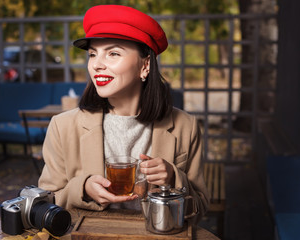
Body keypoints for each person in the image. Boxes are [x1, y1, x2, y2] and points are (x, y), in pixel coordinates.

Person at [38, 4, 209, 221]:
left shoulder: (186, 126)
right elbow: (46, 202)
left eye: (113, 53)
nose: (97, 65)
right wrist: (82, 189)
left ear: (145, 65)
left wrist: (174, 178)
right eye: (93, 54)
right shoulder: (62, 127)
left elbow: (201, 208)